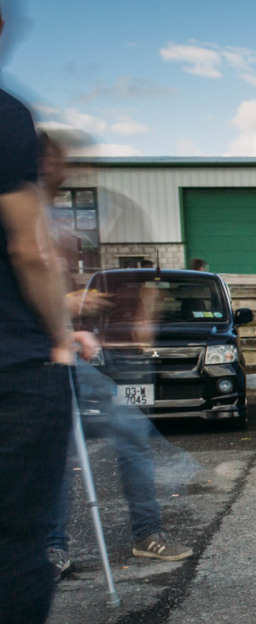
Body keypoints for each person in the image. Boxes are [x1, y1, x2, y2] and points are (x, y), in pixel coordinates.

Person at [0, 4, 103, 624]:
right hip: (11, 360)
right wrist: (61, 335)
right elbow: (30, 248)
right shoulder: (7, 121)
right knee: (17, 536)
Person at [37, 131, 192, 575]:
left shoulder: (47, 216)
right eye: (54, 161)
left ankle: (147, 535)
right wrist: (66, 307)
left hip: (64, 352)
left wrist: (72, 329)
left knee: (132, 428)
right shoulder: (18, 210)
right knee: (56, 450)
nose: (62, 169)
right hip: (33, 361)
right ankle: (51, 548)